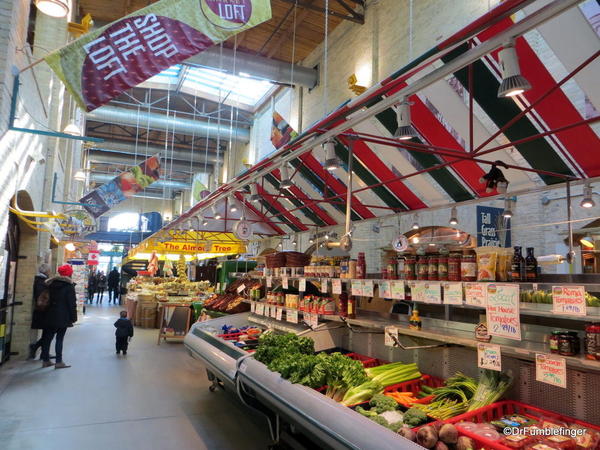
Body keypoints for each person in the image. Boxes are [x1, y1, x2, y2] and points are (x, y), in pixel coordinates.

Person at [40, 264, 77, 369]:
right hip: (63, 316)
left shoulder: (50, 284)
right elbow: (71, 303)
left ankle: (45, 360)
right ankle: (58, 361)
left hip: (49, 314)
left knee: (47, 338)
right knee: (59, 339)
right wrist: (74, 317)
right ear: (69, 273)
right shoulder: (69, 286)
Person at [29, 263, 51, 359]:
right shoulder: (41, 282)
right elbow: (41, 298)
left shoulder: (42, 281)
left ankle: (44, 353)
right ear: (46, 271)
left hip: (43, 311)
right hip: (43, 312)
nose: (50, 272)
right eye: (49, 270)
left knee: (47, 333)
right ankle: (38, 349)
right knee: (48, 333)